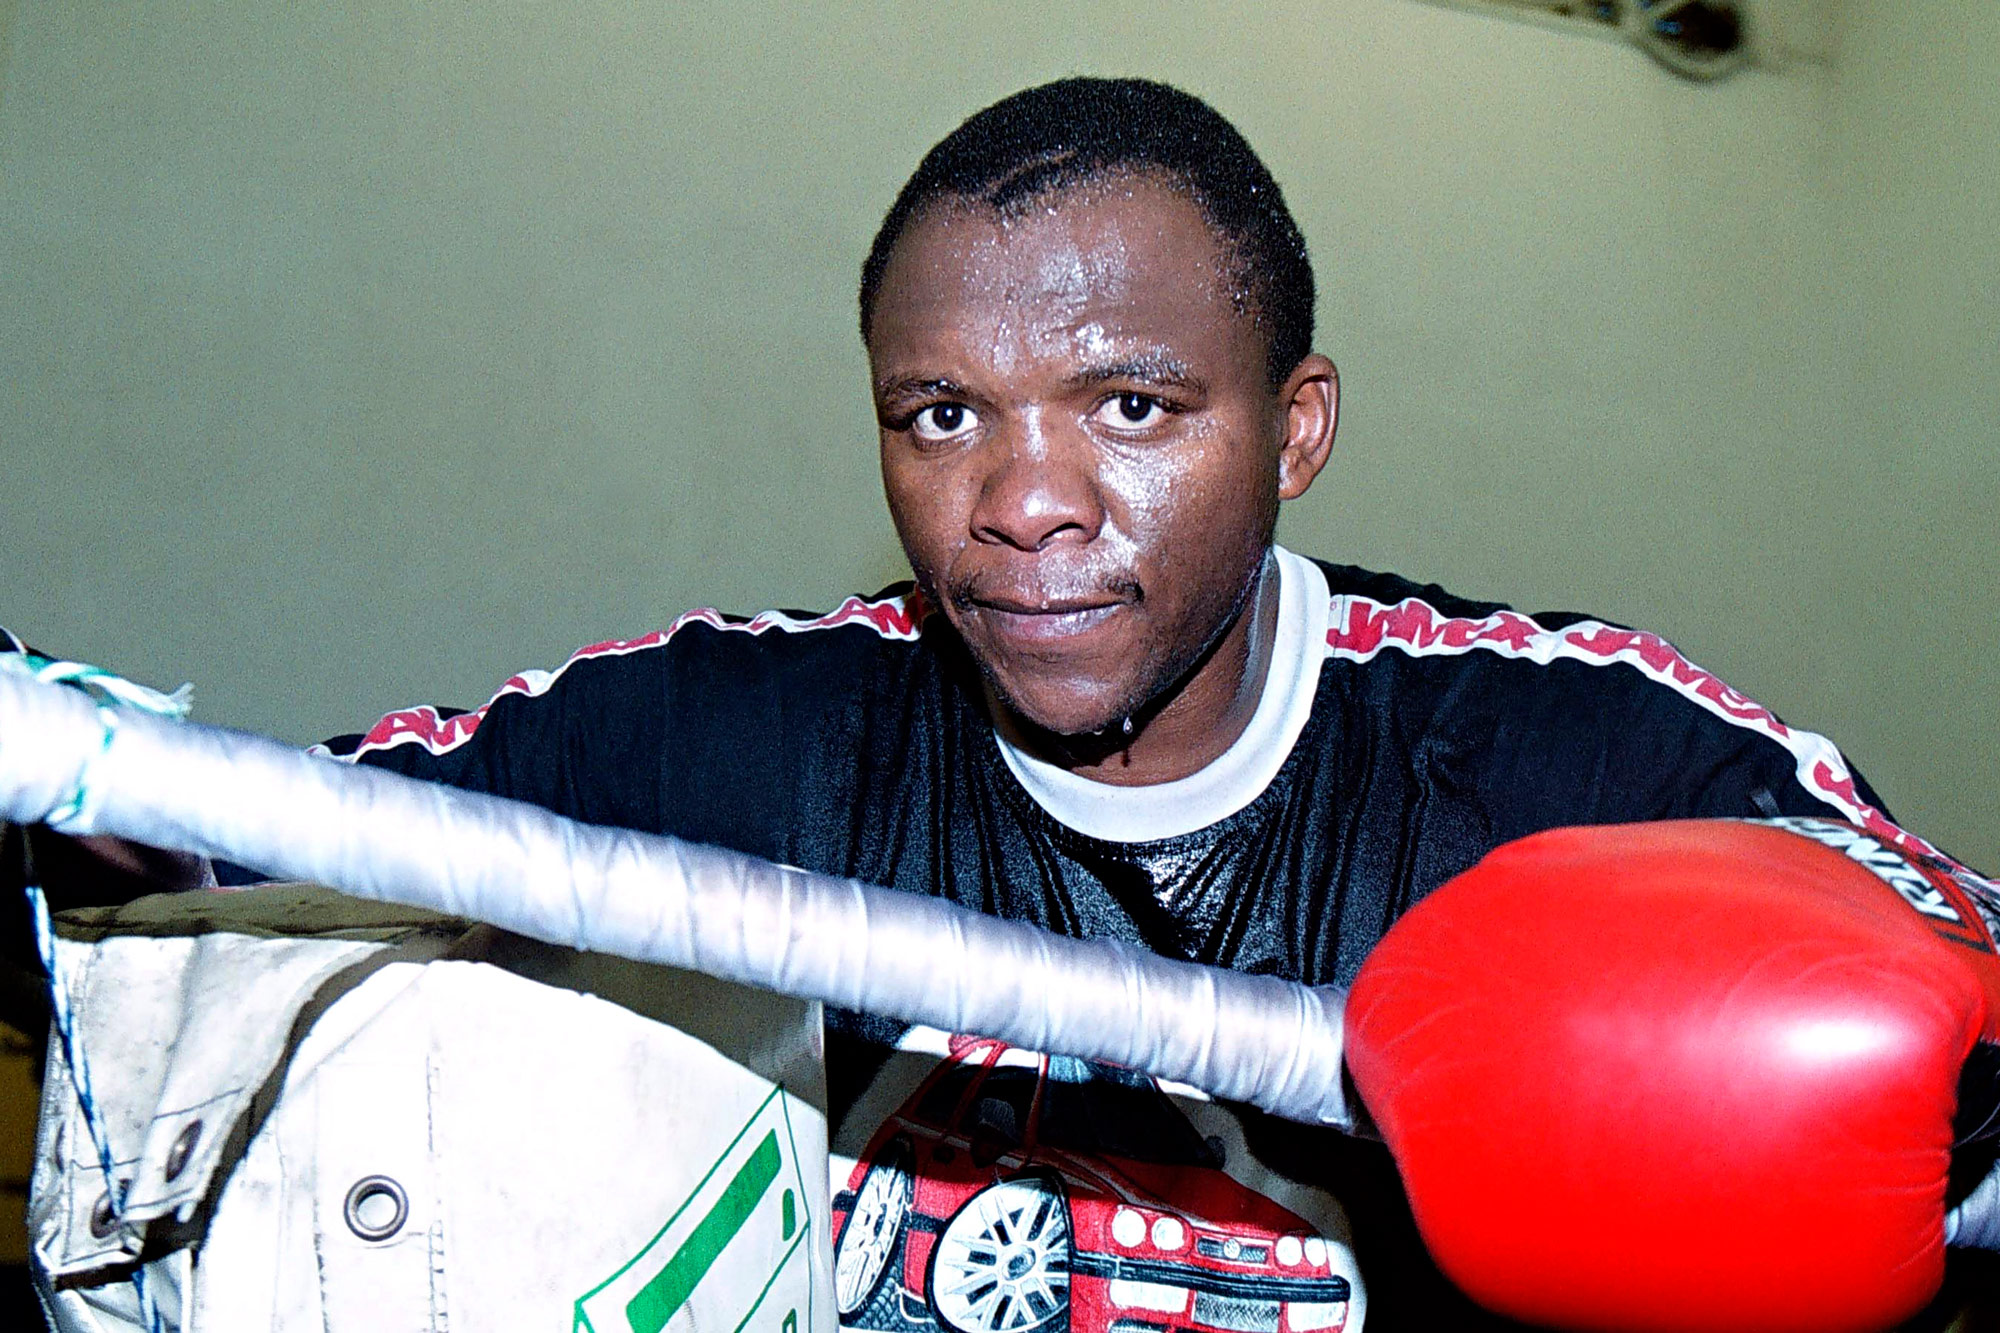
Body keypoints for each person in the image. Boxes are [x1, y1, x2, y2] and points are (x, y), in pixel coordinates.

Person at [9, 78, 1995, 1327]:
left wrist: (1888, 1066)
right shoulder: (751, 734)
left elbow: (1934, 950)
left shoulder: (1560, 757)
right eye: (941, 416)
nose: (1023, 500)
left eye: (1130, 408)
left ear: (1294, 431)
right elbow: (251, 840)